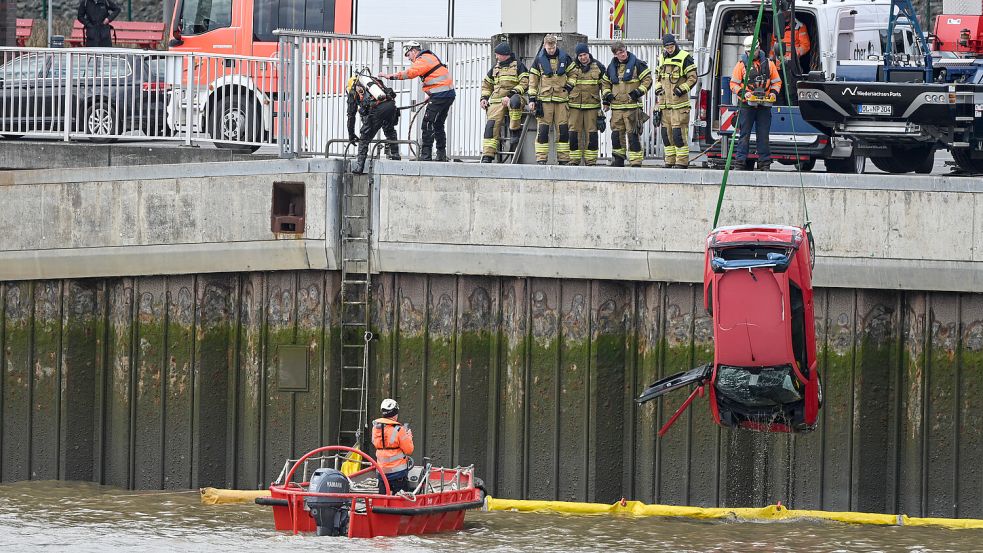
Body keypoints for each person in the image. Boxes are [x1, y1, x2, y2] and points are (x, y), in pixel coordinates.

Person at [379, 41, 455, 162]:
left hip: (441, 95)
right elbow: (437, 79)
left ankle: (426, 156)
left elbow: (411, 73)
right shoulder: (429, 57)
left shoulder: (423, 59)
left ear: (414, 51)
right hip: (445, 94)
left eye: (408, 55)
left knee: (427, 123)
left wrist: (391, 76)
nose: (408, 58)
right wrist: (431, 95)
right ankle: (441, 154)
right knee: (438, 124)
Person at [730, 35, 782, 171]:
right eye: (749, 52)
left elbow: (777, 82)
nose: (751, 54)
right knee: (744, 134)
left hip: (764, 104)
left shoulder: (769, 64)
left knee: (763, 134)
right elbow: (733, 83)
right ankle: (740, 162)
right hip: (747, 104)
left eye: (754, 51)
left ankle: (764, 162)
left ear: (758, 49)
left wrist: (773, 93)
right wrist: (743, 93)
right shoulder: (741, 65)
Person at [601, 41, 652, 167]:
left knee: (633, 135)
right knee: (616, 135)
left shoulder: (638, 64)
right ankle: (618, 160)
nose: (622, 55)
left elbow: (648, 80)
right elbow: (605, 83)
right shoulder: (611, 67)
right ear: (615, 55)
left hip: (632, 107)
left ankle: (635, 162)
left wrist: (637, 93)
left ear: (626, 50)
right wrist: (607, 96)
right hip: (617, 108)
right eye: (619, 53)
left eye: (623, 51)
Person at [479, 42, 529, 163]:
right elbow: (486, 85)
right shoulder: (495, 68)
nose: (496, 57)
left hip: (514, 98)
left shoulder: (519, 66)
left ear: (505, 55)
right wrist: (484, 98)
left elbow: (525, 83)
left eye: (498, 55)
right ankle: (487, 155)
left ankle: (514, 131)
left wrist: (510, 95)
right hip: (497, 104)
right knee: (491, 126)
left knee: (515, 101)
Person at [527, 35, 573, 165]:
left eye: (553, 47)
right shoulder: (538, 60)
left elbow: (573, 73)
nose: (551, 50)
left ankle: (563, 159)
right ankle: (541, 159)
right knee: (542, 131)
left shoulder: (565, 58)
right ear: (544, 46)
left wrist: (568, 87)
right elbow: (533, 81)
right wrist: (532, 99)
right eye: (549, 48)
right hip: (544, 101)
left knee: (563, 131)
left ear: (556, 45)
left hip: (561, 101)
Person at [653, 34, 697, 169]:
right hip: (665, 104)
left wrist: (682, 89)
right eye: (667, 47)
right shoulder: (661, 58)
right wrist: (658, 88)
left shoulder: (685, 57)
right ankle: (670, 161)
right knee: (666, 135)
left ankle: (682, 162)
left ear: (675, 44)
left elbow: (693, 78)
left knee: (678, 135)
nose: (670, 49)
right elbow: (657, 77)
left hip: (679, 104)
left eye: (671, 46)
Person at [346, 74, 400, 174]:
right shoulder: (374, 83)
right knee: (389, 131)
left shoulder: (353, 91)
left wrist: (351, 134)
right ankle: (396, 156)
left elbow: (351, 116)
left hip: (378, 109)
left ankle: (359, 167)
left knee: (364, 137)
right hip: (391, 106)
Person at [566, 42, 606, 166]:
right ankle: (574, 160)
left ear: (588, 53)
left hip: (592, 107)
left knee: (592, 134)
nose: (583, 57)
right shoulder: (571, 67)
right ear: (577, 56)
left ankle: (591, 161)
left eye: (585, 54)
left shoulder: (598, 66)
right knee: (573, 133)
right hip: (574, 107)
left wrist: (606, 101)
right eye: (580, 55)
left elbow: (604, 85)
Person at [372, 398, 415, 495]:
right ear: (395, 413)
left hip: (381, 473)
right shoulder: (399, 430)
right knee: (402, 500)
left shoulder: (375, 428)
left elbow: (375, 443)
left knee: (382, 501)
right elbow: (409, 450)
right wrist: (409, 437)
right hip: (398, 474)